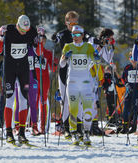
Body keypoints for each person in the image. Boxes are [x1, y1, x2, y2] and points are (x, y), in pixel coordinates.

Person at [0, 15, 38, 145]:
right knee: (9, 99)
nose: (23, 33)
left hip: (24, 69)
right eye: (21, 30)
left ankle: (21, 132)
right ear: (17, 25)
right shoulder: (8, 30)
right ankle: (8, 132)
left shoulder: (31, 31)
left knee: (23, 99)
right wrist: (1, 36)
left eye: (25, 30)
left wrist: (39, 39)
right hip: (9, 69)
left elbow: (38, 51)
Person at [59, 25, 99, 145]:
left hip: (86, 82)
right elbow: (61, 64)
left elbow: (95, 60)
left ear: (82, 35)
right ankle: (74, 133)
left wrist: (96, 58)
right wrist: (66, 57)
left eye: (77, 34)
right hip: (72, 82)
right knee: (74, 109)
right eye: (73, 34)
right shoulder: (68, 46)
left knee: (88, 109)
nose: (75, 37)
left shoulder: (88, 47)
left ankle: (86, 133)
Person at [51, 11, 83, 139]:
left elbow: (90, 40)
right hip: (64, 70)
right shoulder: (63, 34)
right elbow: (56, 37)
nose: (73, 26)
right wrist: (55, 38)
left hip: (78, 71)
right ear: (66, 23)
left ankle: (79, 128)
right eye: (71, 23)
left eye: (76, 23)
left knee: (78, 101)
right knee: (64, 102)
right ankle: (66, 128)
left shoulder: (81, 33)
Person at [121, 54, 138, 134]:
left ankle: (134, 126)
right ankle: (125, 126)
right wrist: (126, 85)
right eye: (131, 58)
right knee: (126, 108)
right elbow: (123, 78)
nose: (133, 60)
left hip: (137, 90)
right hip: (129, 90)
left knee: (136, 108)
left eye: (135, 58)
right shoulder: (127, 67)